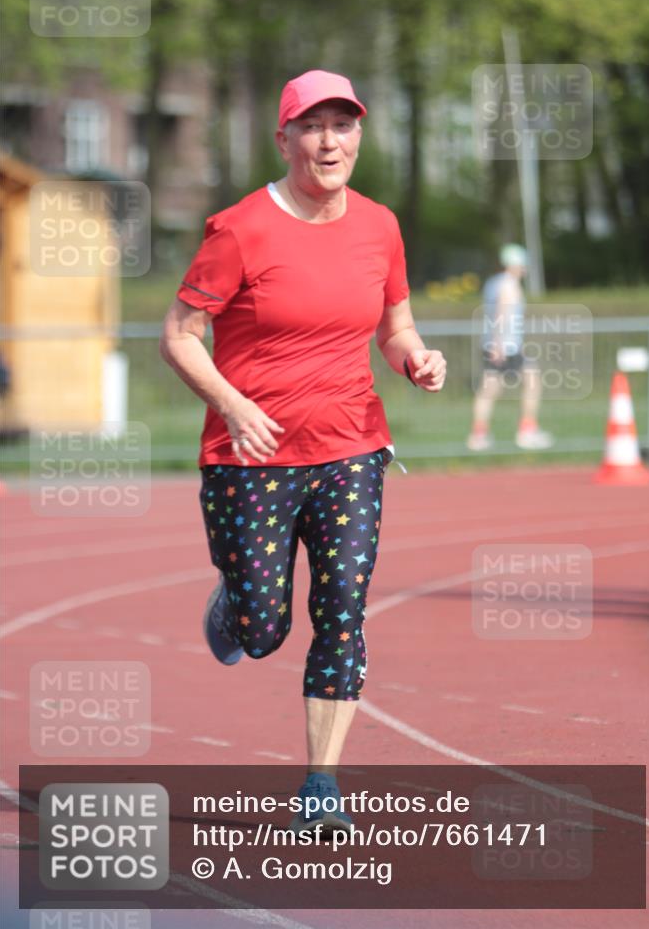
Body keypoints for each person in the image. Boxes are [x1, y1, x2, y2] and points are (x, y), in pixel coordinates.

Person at [160, 69, 446, 831]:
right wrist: (231, 401)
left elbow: (395, 325)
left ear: (359, 135)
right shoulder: (239, 229)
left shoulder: (380, 226)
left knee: (343, 609)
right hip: (248, 455)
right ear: (284, 137)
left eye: (343, 125)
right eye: (313, 126)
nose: (330, 141)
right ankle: (238, 604)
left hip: (350, 446)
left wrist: (415, 357)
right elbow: (179, 336)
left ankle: (321, 786)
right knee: (263, 630)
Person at [467, 243, 554, 452]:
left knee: (490, 389)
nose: (524, 269)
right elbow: (501, 313)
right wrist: (498, 344)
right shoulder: (509, 284)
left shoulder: (493, 282)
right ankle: (527, 430)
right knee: (531, 381)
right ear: (514, 264)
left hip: (496, 343)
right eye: (522, 264)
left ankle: (479, 434)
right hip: (506, 345)